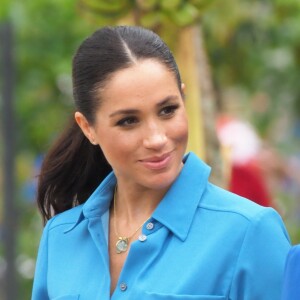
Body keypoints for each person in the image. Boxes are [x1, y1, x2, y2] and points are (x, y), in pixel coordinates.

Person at [32, 25, 291, 300]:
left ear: (184, 98)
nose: (156, 138)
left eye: (168, 110)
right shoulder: (60, 236)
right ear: (88, 128)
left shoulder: (250, 231)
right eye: (128, 121)